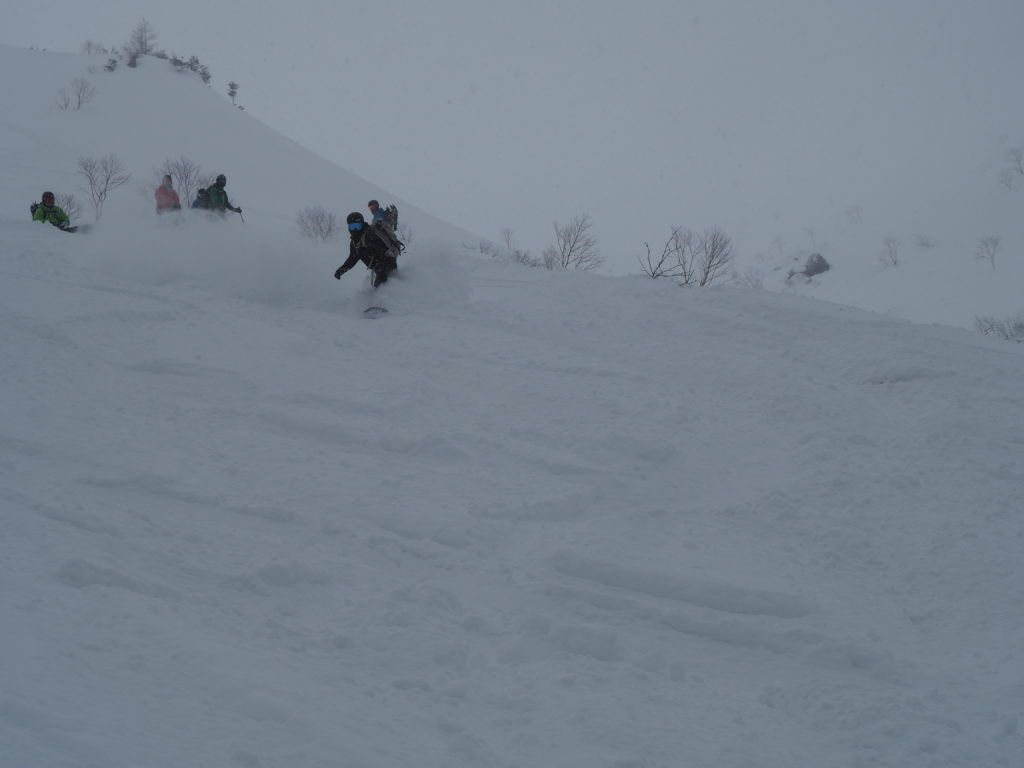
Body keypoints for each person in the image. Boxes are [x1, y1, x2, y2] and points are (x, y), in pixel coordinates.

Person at [334, 212, 399, 287]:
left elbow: (383, 251)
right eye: (352, 226)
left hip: (387, 263)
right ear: (349, 228)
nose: (355, 229)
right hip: (379, 268)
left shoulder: (370, 234)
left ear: (362, 224)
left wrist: (380, 268)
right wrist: (341, 271)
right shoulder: (355, 242)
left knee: (381, 287)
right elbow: (352, 258)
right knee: (382, 286)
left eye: (357, 226)